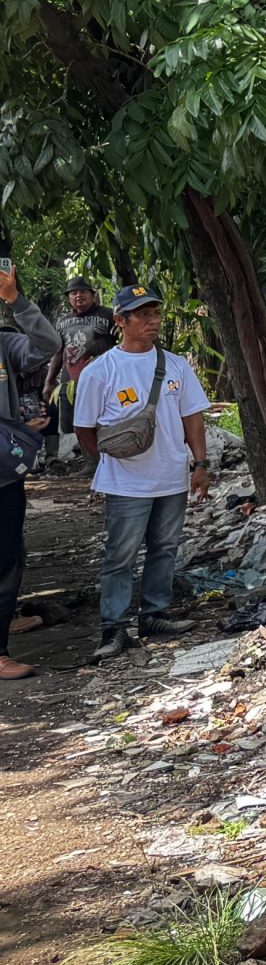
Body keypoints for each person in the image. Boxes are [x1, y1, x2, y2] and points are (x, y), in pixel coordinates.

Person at [74, 284, 209, 663]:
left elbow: (192, 418)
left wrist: (200, 464)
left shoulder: (176, 365)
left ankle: (154, 615)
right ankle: (113, 627)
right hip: (126, 483)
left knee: (165, 548)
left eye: (155, 313)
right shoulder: (101, 371)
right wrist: (111, 460)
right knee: (121, 555)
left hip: (171, 477)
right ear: (120, 320)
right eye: (143, 314)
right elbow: (84, 429)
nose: (153, 321)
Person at [0, 263, 63, 681]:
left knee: (7, 559)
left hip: (4, 476)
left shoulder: (4, 343)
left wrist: (16, 301)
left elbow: (48, 343)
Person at [47, 277, 112, 461]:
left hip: (103, 378)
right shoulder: (63, 321)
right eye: (73, 293)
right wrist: (49, 381)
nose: (78, 296)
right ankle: (90, 462)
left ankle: (107, 460)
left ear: (93, 295)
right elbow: (58, 352)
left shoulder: (109, 315)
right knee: (76, 421)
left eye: (83, 292)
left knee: (103, 418)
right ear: (69, 297)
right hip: (71, 381)